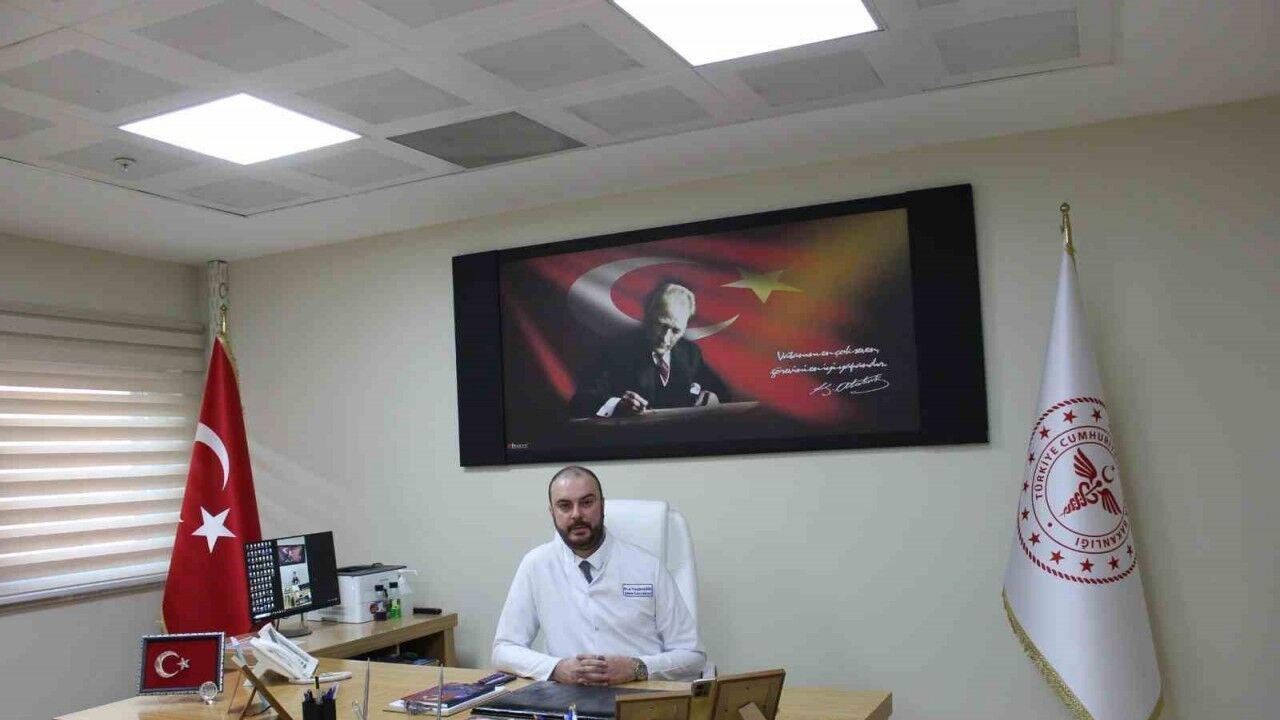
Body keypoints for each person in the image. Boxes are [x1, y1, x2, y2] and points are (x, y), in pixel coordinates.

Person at [492, 466, 705, 684]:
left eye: (586, 503)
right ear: (552, 512)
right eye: (565, 506)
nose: (576, 514)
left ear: (602, 506)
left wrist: (636, 668)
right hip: (568, 696)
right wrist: (555, 668)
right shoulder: (536, 565)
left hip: (640, 693)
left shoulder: (648, 567)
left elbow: (693, 656)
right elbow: (503, 650)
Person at [570, 282, 729, 418]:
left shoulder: (690, 353)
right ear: (648, 317)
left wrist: (713, 398)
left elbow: (721, 391)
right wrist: (618, 405)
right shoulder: (616, 351)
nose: (665, 338)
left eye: (675, 331)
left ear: (684, 328)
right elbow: (581, 402)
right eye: (661, 325)